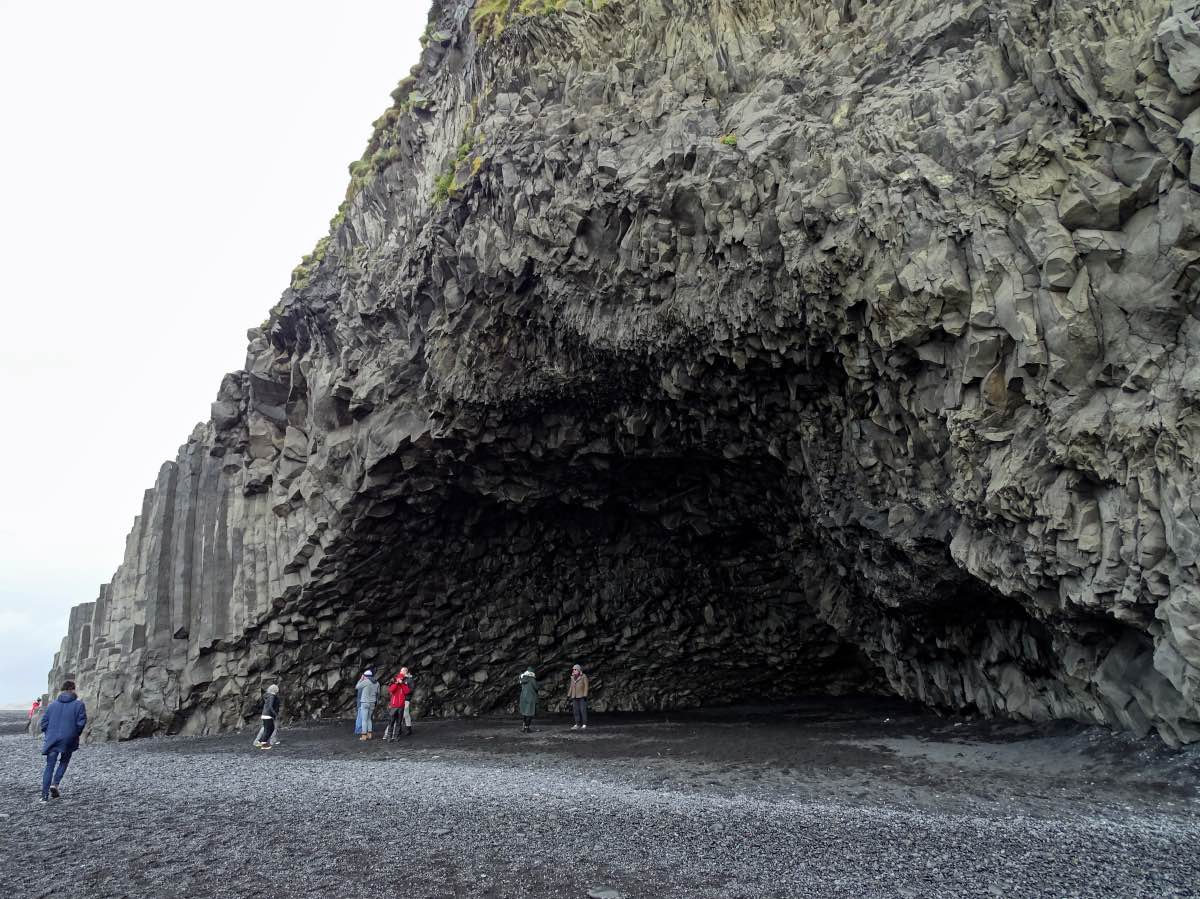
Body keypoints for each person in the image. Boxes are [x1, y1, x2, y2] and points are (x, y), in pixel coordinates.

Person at [38, 680, 87, 803]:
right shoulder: (79, 705)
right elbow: (81, 723)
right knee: (64, 761)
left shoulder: (52, 705)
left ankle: (44, 796)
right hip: (68, 739)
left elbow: (44, 723)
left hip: (52, 739)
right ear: (72, 689)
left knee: (49, 766)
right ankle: (55, 784)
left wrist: (49, 734)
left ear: (62, 690)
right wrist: (74, 734)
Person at [385, 672, 411, 742]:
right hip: (394, 706)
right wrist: (396, 683)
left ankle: (396, 737)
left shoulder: (403, 685)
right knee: (391, 722)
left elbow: (407, 691)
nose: (401, 680)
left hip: (401, 706)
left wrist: (402, 684)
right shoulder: (393, 684)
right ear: (396, 679)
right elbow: (391, 690)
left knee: (399, 723)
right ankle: (389, 737)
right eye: (400, 678)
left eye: (402, 679)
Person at [254, 685, 281, 750]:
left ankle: (259, 742)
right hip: (268, 715)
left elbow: (265, 706)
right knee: (268, 730)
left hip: (265, 714)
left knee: (269, 729)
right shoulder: (272, 696)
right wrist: (275, 714)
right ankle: (263, 744)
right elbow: (270, 707)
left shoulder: (267, 696)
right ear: (275, 690)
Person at [354, 669, 379, 740]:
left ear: (365, 676)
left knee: (364, 720)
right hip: (372, 702)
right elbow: (378, 693)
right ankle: (369, 734)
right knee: (369, 719)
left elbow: (357, 687)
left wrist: (361, 679)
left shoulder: (366, 681)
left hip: (365, 702)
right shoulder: (377, 683)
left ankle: (364, 736)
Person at [567, 664, 589, 730]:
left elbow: (586, 686)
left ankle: (584, 724)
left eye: (575, 669)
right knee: (576, 711)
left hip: (582, 696)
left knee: (583, 710)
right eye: (573, 669)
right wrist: (569, 695)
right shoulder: (572, 677)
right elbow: (571, 686)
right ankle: (577, 724)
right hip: (574, 696)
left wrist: (585, 695)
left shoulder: (583, 676)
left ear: (579, 670)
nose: (574, 670)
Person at [519, 669, 538, 733]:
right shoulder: (532, 679)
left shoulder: (522, 679)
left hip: (523, 698)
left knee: (525, 713)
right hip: (530, 698)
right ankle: (527, 728)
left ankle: (523, 728)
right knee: (530, 713)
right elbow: (536, 687)